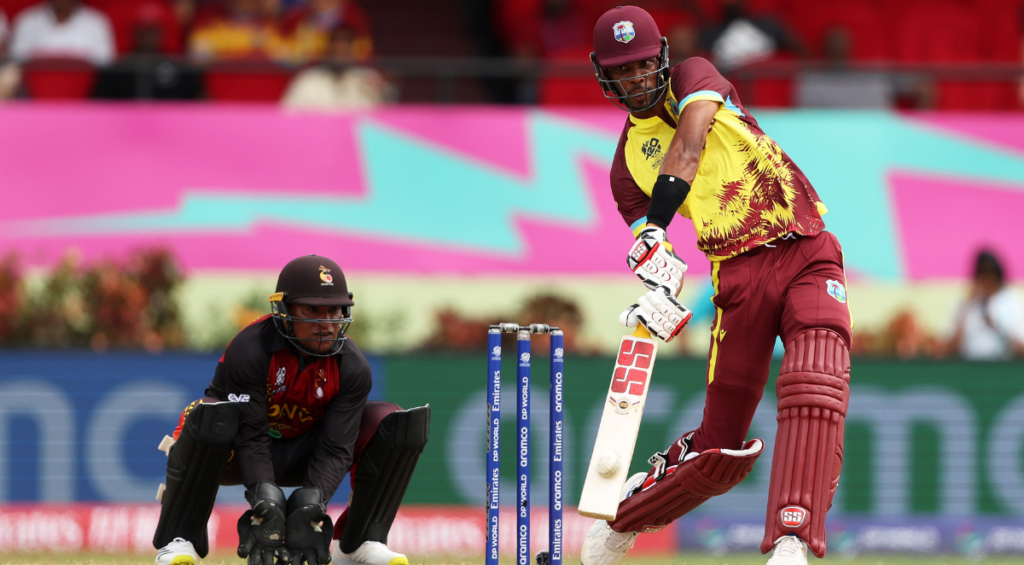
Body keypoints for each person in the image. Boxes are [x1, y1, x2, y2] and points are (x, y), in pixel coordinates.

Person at [581, 6, 852, 565]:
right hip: (738, 276)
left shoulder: (695, 78)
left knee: (816, 379)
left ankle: (792, 538)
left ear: (662, 58)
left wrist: (655, 225)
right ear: (603, 76)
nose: (634, 80)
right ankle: (627, 516)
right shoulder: (624, 171)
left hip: (805, 245)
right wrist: (660, 286)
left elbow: (690, 144)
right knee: (720, 448)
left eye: (641, 65)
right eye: (621, 71)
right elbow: (662, 261)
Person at [152, 254, 429, 565]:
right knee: (206, 413)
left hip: (305, 451)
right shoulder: (250, 349)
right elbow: (251, 436)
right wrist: (264, 499)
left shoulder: (352, 366)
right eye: (311, 310)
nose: (325, 324)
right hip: (235, 453)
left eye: (334, 310)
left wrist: (311, 503)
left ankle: (357, 544)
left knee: (394, 422)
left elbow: (337, 447)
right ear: (284, 311)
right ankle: (179, 541)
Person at [281, 23, 391, 110]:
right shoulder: (308, 79)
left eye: (345, 52)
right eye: (336, 51)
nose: (340, 52)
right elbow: (288, 113)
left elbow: (388, 116)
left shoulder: (369, 78)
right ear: (328, 50)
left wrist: (383, 91)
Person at [943, 250, 1024, 360]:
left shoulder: (1010, 300)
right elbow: (950, 347)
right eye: (983, 275)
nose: (987, 282)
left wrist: (997, 328)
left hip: (1003, 368)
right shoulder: (967, 302)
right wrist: (968, 305)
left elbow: (1020, 347)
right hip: (969, 368)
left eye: (990, 276)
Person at [9, 0, 115, 65]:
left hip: (86, 98)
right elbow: (16, 66)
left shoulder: (97, 23)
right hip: (34, 98)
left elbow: (105, 68)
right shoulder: (27, 21)